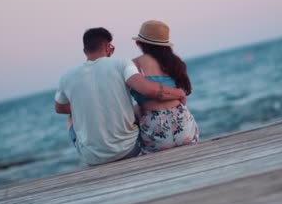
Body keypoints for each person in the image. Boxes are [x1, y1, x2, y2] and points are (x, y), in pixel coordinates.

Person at [55, 27, 187, 166]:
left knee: (71, 117)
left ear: (85, 51)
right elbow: (148, 90)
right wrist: (179, 93)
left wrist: (88, 104)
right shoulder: (121, 63)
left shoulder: (66, 77)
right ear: (107, 47)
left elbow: (60, 108)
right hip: (129, 150)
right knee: (135, 107)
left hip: (92, 158)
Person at [130, 20, 199, 154]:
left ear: (139, 43)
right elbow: (182, 97)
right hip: (184, 125)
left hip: (155, 130)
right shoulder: (175, 63)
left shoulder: (134, 65)